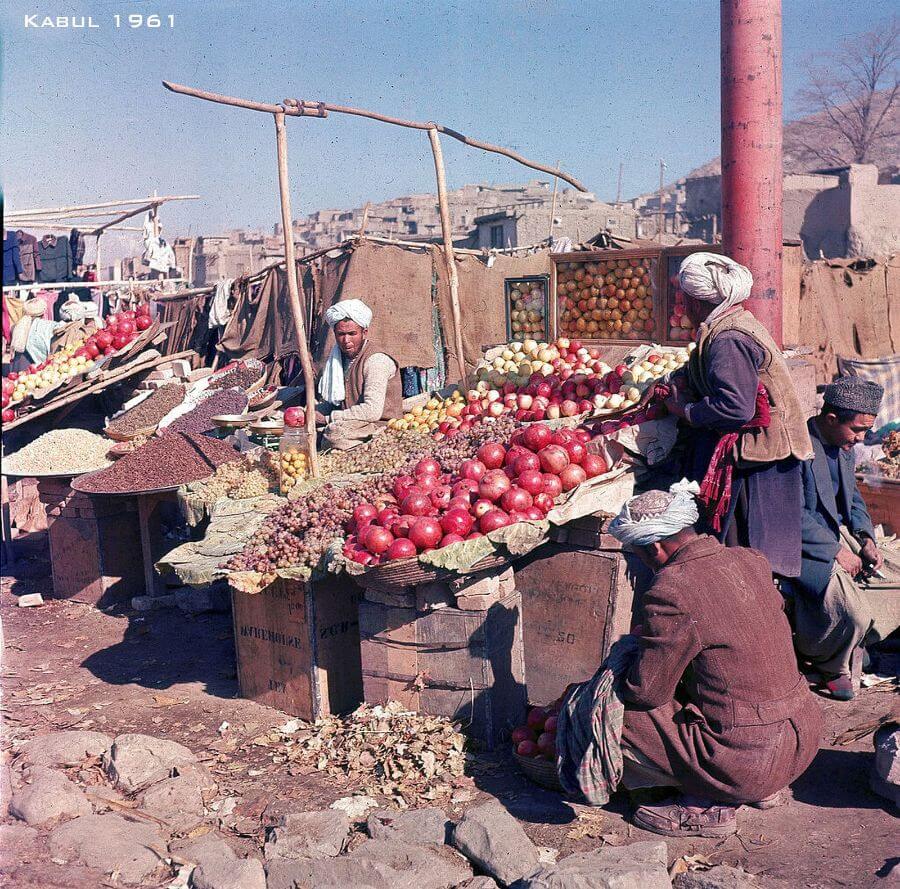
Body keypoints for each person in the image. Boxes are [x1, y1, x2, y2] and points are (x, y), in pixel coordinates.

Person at [609, 482, 822, 838]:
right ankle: (757, 787)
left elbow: (646, 693)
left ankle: (707, 802)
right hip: (802, 741)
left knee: (611, 711)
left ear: (657, 548)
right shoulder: (749, 559)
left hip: (746, 763)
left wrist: (625, 661)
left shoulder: (669, 591)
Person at [662, 252, 813, 579]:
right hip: (755, 451)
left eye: (683, 298)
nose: (682, 304)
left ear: (694, 301)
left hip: (760, 459)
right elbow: (704, 370)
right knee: (748, 557)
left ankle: (756, 614)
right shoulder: (726, 324)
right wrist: (674, 380)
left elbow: (735, 407)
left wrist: (686, 411)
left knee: (749, 556)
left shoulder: (729, 338)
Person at [786, 377, 900, 701]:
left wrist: (865, 538)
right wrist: (836, 551)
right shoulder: (797, 449)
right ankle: (830, 664)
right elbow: (792, 516)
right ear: (832, 419)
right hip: (804, 547)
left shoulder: (844, 447)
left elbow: (853, 502)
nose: (862, 439)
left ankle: (869, 638)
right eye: (858, 430)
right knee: (852, 612)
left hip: (839, 537)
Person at [317, 298, 402, 450]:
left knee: (334, 435)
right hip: (351, 421)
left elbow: (372, 411)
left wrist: (327, 419)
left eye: (352, 333)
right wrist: (311, 413)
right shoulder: (338, 359)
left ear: (364, 332)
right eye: (341, 334)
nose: (346, 340)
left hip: (378, 426)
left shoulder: (376, 361)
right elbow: (336, 402)